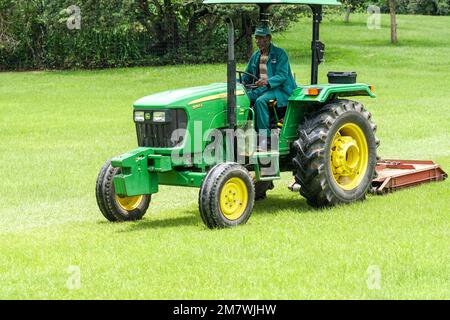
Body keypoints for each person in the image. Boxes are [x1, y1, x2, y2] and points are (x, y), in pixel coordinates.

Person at [241, 25, 297, 148]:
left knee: (260, 102)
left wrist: (267, 82)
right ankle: (247, 134)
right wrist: (234, 82)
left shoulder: (280, 54)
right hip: (263, 89)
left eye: (261, 38)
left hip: (280, 89)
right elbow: (247, 75)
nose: (258, 41)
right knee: (244, 98)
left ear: (269, 38)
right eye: (256, 38)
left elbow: (282, 75)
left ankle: (264, 138)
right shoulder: (256, 56)